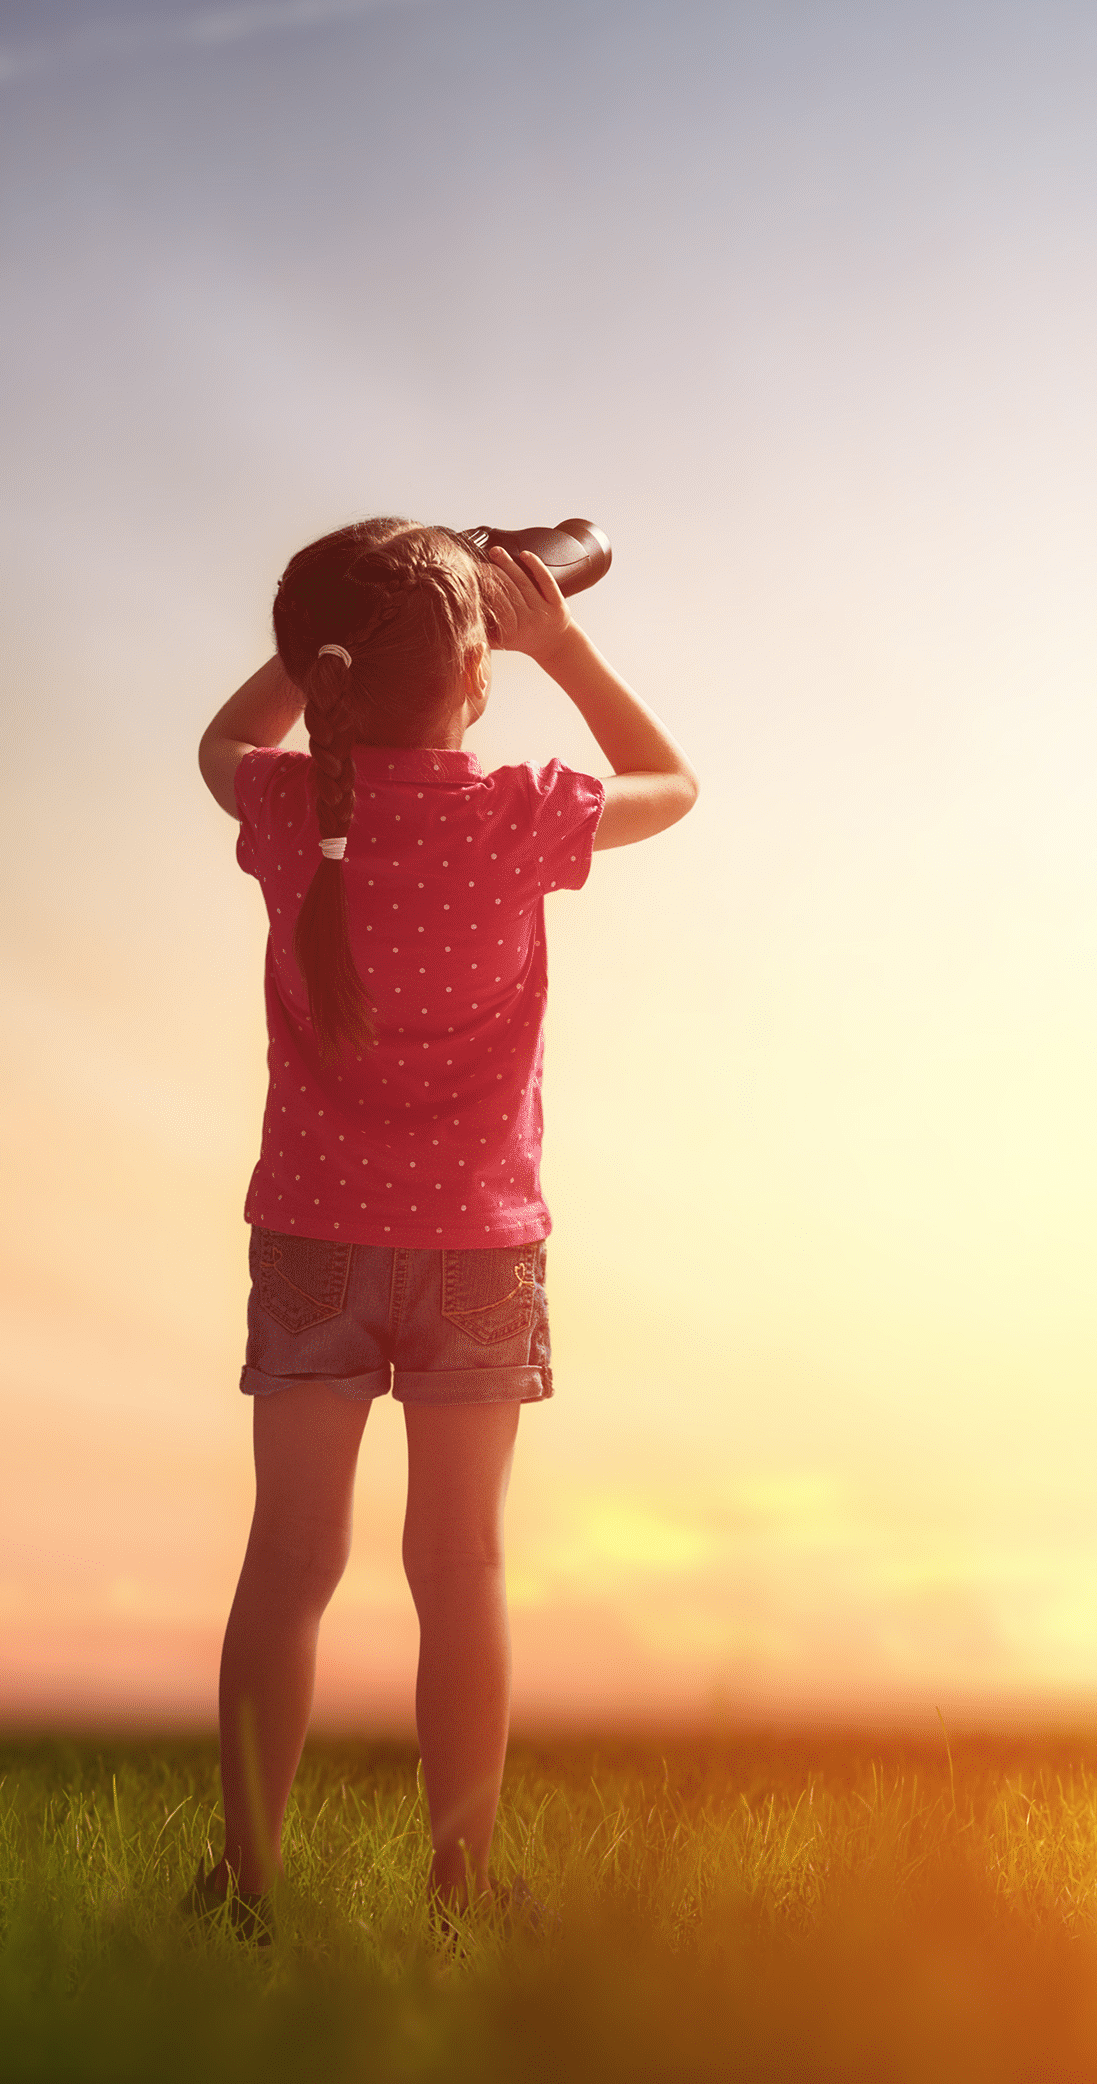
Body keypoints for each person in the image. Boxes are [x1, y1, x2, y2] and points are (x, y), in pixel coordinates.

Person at [192, 516, 697, 1922]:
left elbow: (219, 744)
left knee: (287, 1561)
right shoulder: (521, 813)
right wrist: (560, 637)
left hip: (310, 1240)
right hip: (478, 1247)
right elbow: (672, 779)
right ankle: (462, 1875)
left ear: (324, 668)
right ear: (477, 671)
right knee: (458, 1566)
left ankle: (246, 1878)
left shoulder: (287, 809)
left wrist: (326, 657)